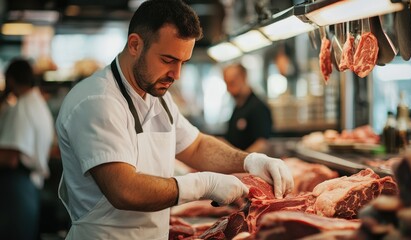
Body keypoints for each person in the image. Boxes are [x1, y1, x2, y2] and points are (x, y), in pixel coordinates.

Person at [55, 0, 293, 239]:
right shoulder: (96, 101)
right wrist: (204, 185)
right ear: (135, 45)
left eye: (183, 62)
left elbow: (197, 146)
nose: (176, 74)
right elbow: (123, 190)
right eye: (168, 60)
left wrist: (250, 161)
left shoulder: (158, 97)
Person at [0, 58, 54, 239]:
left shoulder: (22, 107)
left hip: (18, 184)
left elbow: (11, 157)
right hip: (29, 185)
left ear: (11, 80)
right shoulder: (38, 104)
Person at [222, 63, 273, 153]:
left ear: (244, 77)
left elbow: (263, 143)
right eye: (226, 84)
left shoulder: (258, 107)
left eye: (232, 83)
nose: (228, 89)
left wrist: (241, 161)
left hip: (248, 166)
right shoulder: (238, 107)